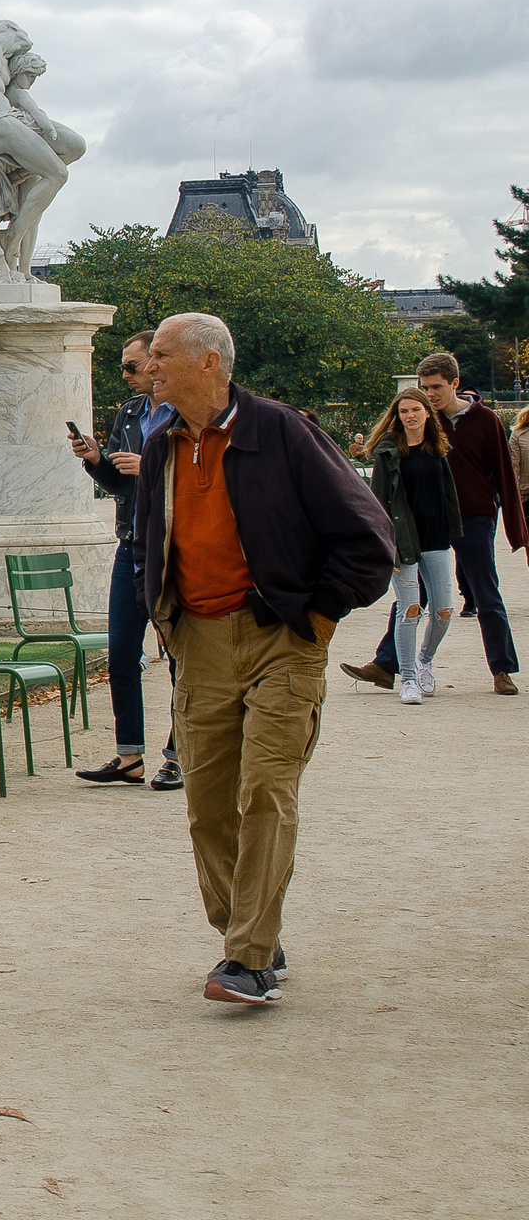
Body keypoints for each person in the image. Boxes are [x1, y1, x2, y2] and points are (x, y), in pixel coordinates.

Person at [134, 313, 394, 1006]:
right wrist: (166, 617)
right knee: (208, 808)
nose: (147, 365)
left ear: (209, 362)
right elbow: (145, 545)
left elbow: (371, 539)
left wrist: (316, 615)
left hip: (282, 638)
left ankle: (247, 958)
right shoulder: (161, 447)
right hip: (200, 642)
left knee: (266, 793)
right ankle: (250, 930)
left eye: (160, 355)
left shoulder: (282, 432)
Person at [341, 353, 525, 695]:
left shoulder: (485, 420)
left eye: (436, 387)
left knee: (485, 593)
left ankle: (501, 669)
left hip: (474, 517)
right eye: (425, 387)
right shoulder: (423, 420)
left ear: (455, 383)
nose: (430, 394)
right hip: (423, 523)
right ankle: (387, 666)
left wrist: (515, 525)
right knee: (413, 598)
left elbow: (504, 473)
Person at [71, 328, 183, 788]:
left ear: (158, 362)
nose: (126, 374)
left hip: (175, 547)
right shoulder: (130, 412)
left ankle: (179, 756)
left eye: (131, 366)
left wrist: (151, 466)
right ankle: (129, 756)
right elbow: (119, 486)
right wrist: (96, 460)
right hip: (132, 542)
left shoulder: (190, 413)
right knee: (121, 652)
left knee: (183, 657)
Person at [346, 394, 457, 704]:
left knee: (444, 610)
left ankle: (425, 659)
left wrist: (455, 529)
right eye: (404, 411)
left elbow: (447, 493)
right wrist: (386, 546)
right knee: (409, 610)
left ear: (427, 413)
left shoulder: (438, 447)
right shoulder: (388, 451)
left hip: (436, 539)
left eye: (415, 409)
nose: (410, 415)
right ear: (397, 415)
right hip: (403, 541)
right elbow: (377, 501)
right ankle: (407, 678)